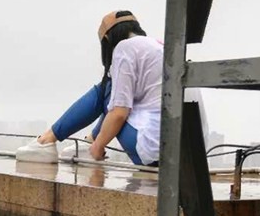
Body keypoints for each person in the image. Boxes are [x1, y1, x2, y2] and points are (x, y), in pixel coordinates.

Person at [16, 10, 163, 166]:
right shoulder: (159, 46)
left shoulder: (124, 48)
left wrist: (98, 146)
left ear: (107, 39)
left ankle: (47, 141)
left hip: (150, 147)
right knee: (115, 95)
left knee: (106, 91)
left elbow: (119, 113)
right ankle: (87, 143)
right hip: (176, 150)